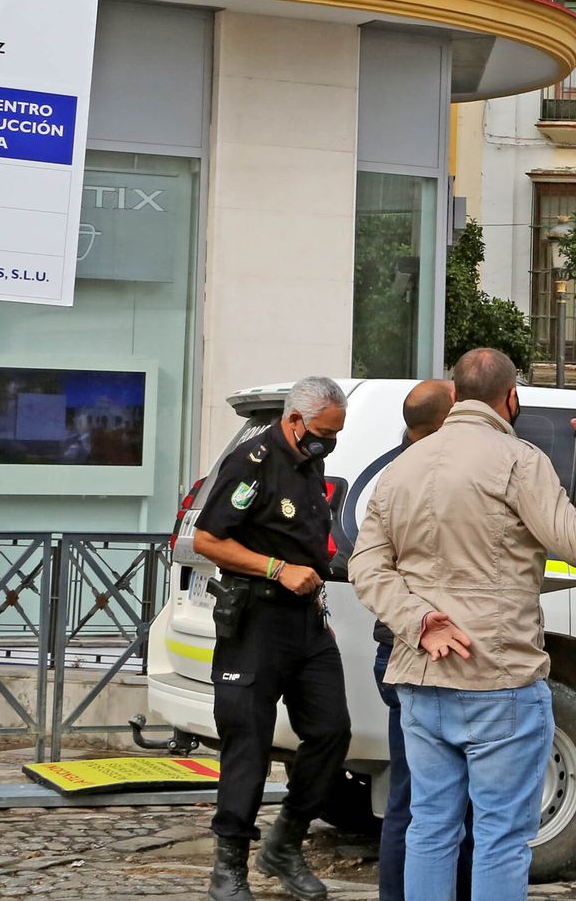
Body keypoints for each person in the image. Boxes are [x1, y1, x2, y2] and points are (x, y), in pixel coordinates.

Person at [350, 348, 576, 901]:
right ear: (511, 396)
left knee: (430, 827)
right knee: (500, 836)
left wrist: (419, 620)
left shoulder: (400, 467)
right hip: (500, 676)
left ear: (453, 396)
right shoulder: (519, 460)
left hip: (423, 674)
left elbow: (365, 565)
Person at [193, 376, 352, 901]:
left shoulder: (311, 462)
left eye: (334, 435)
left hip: (306, 622)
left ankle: (285, 843)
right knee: (249, 745)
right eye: (322, 433)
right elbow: (207, 539)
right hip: (255, 621)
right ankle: (228, 868)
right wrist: (276, 568)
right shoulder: (251, 463)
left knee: (331, 732)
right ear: (293, 420)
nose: (327, 443)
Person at [372, 378, 476, 901]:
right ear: (446, 418)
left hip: (410, 644)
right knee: (424, 804)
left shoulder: (394, 471)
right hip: (423, 647)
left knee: (423, 803)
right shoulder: (424, 472)